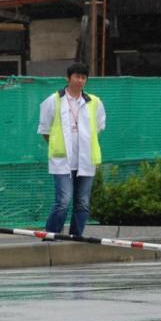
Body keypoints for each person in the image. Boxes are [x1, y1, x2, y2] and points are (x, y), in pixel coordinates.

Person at [38, 62, 106, 237]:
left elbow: (98, 127)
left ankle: (77, 236)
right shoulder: (53, 100)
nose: (80, 81)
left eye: (83, 77)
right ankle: (52, 235)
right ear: (68, 78)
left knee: (82, 202)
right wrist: (57, 145)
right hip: (62, 159)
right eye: (77, 76)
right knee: (63, 200)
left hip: (86, 159)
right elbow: (45, 130)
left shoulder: (94, 102)